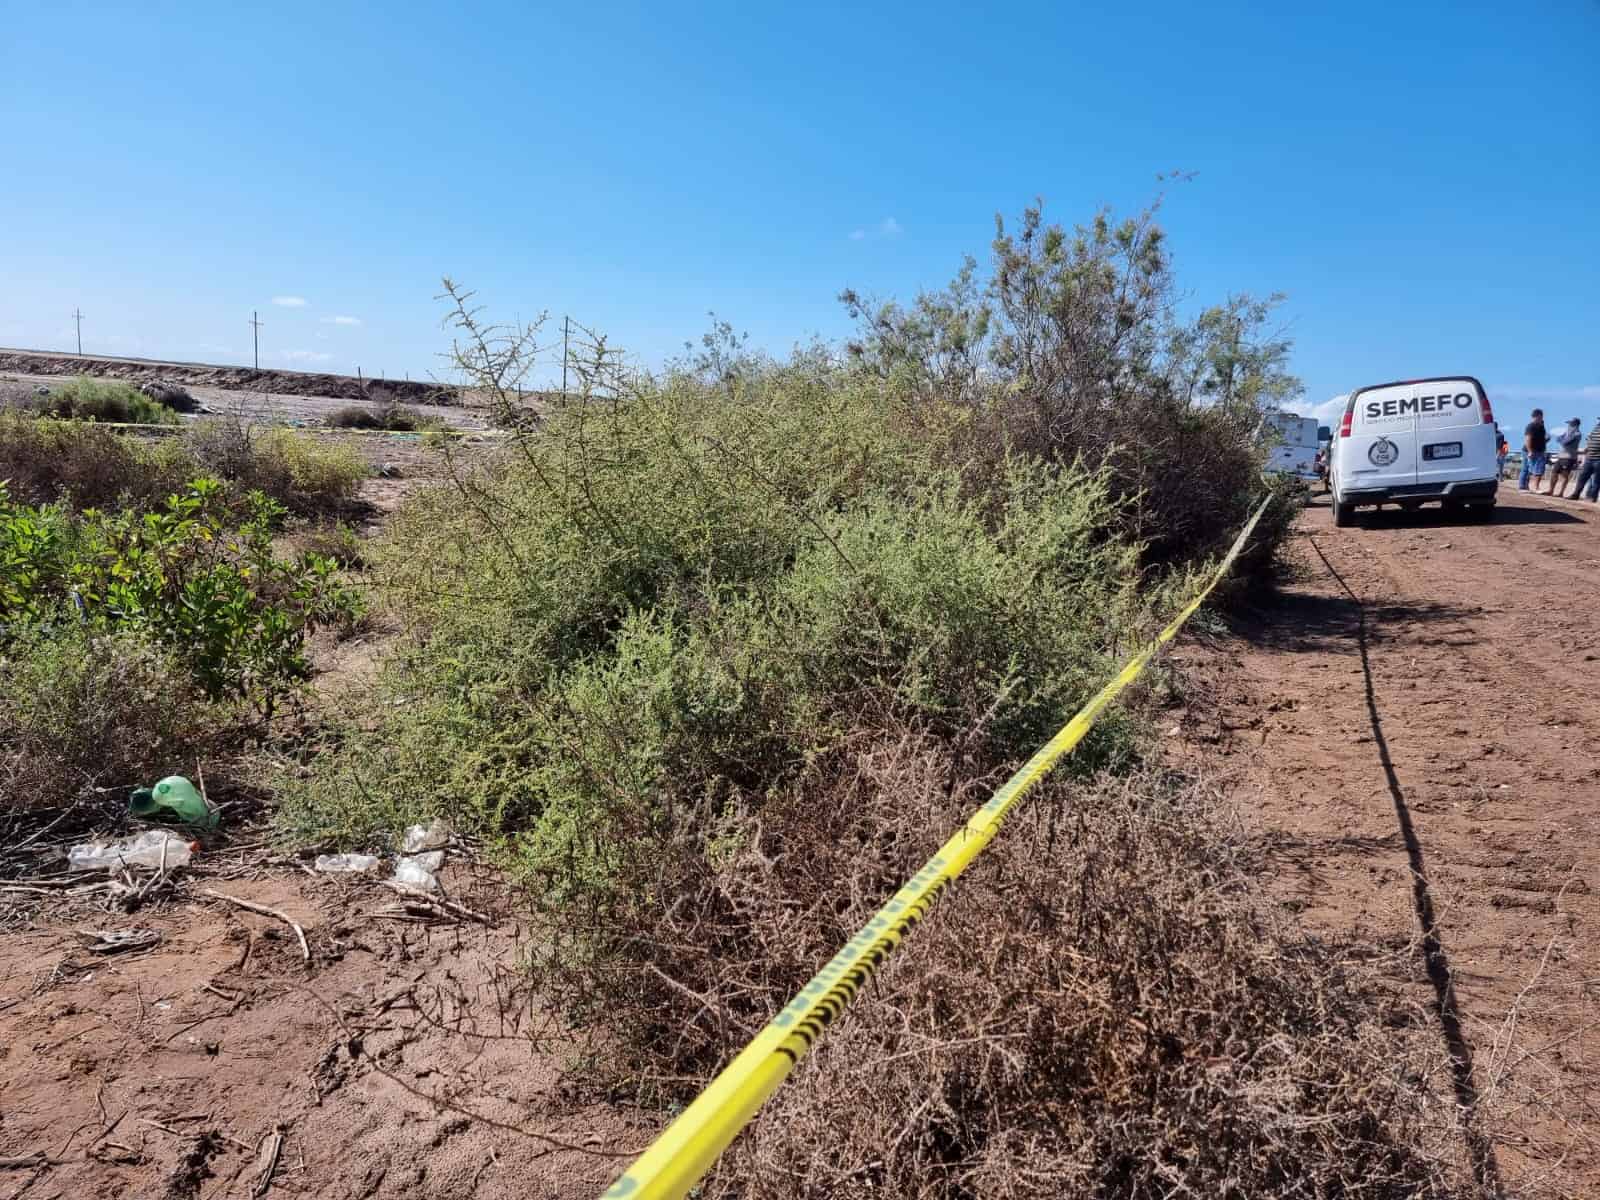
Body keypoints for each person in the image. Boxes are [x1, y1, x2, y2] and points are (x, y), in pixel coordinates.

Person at [1547, 417, 1582, 496]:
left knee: (1564, 475)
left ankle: (1561, 493)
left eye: (1571, 424)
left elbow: (1565, 442)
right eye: (1569, 424)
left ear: (1576, 425)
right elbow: (1558, 439)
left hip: (1569, 457)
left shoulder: (1577, 434)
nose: (1569, 425)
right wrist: (1562, 439)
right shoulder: (1568, 433)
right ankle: (1551, 490)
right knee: (1554, 472)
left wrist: (1562, 439)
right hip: (1561, 456)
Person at [1571, 418, 1600, 502]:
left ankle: (1592, 497)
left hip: (1598, 459)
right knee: (1582, 477)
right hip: (1589, 457)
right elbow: (1589, 438)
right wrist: (1587, 448)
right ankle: (1575, 494)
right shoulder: (1596, 427)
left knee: (1596, 480)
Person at [1520, 408, 1548, 492]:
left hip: (1539, 451)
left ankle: (1527, 486)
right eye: (1541, 416)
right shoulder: (1531, 426)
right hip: (1530, 451)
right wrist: (1530, 451)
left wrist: (1545, 443)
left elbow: (1541, 439)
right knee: (1526, 468)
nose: (1542, 418)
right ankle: (1522, 487)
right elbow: (1528, 439)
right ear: (1538, 416)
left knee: (1535, 469)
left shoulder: (1541, 426)